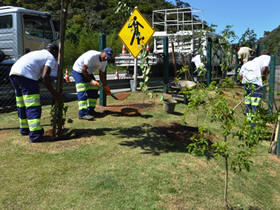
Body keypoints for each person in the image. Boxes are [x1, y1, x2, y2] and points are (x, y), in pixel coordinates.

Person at [9, 43, 60, 143]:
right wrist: (55, 94)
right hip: (27, 76)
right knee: (33, 105)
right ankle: (36, 135)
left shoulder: (38, 53)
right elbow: (45, 77)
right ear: (54, 52)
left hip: (13, 74)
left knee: (22, 104)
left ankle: (25, 129)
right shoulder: (50, 57)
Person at [72, 48, 113, 120]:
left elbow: (102, 75)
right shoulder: (92, 56)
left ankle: (90, 111)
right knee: (82, 92)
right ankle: (82, 114)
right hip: (78, 71)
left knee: (94, 90)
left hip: (88, 73)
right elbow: (83, 69)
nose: (106, 58)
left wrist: (105, 86)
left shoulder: (104, 62)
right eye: (105, 56)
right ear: (102, 52)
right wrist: (91, 81)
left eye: (108, 57)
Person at [239, 51, 270, 124]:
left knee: (248, 103)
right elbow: (264, 69)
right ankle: (254, 126)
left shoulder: (245, 65)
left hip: (246, 84)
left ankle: (249, 121)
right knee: (255, 105)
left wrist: (242, 82)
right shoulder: (260, 62)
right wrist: (263, 79)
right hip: (256, 84)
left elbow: (240, 76)